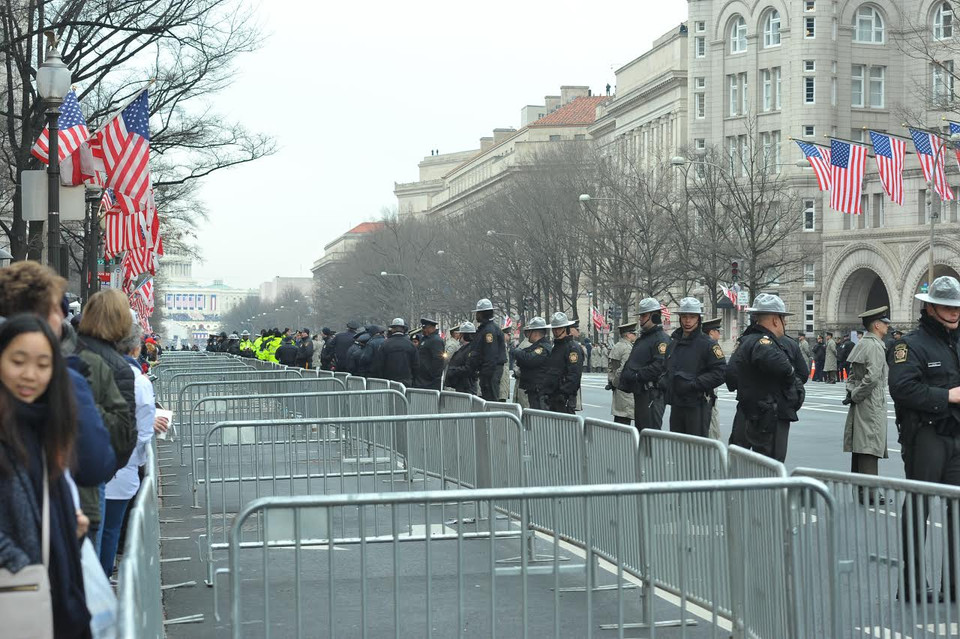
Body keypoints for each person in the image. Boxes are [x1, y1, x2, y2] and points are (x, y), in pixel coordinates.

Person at [0, 314, 94, 638]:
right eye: (18, 361)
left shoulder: (45, 425)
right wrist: (21, 565)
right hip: (18, 598)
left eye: (43, 364)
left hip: (56, 596)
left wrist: (67, 523)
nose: (30, 375)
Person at [888, 276, 960, 602]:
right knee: (919, 509)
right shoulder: (910, 345)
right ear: (930, 307)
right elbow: (903, 389)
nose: (953, 311)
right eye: (946, 305)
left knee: (956, 511)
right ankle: (914, 584)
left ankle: (954, 582)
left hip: (956, 435)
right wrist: (948, 397)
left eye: (956, 305)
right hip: (926, 434)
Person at [77, 289, 139, 547]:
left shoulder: (69, 350)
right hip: (93, 473)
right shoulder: (118, 366)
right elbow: (125, 432)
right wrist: (107, 467)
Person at [100, 324, 163, 577]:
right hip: (122, 461)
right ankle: (104, 577)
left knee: (103, 527)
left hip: (102, 458)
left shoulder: (101, 369)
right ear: (137, 348)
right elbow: (143, 427)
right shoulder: (138, 381)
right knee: (110, 528)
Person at [726, 294, 801, 462]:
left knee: (743, 465)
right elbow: (784, 368)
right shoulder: (765, 343)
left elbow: (730, 375)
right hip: (769, 417)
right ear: (776, 320)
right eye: (783, 319)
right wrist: (791, 377)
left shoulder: (745, 341)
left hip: (749, 413)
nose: (786, 323)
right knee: (771, 467)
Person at [842, 306, 890, 504]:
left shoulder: (862, 343)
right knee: (869, 446)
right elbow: (872, 378)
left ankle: (861, 492)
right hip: (871, 401)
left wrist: (852, 392)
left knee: (860, 446)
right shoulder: (876, 346)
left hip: (861, 402)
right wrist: (857, 394)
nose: (887, 325)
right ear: (877, 325)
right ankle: (870, 494)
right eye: (885, 322)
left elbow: (852, 374)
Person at [663, 298, 726, 437]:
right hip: (677, 404)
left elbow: (721, 372)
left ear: (698, 319)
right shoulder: (673, 344)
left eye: (692, 317)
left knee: (696, 451)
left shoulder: (708, 344)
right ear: (679, 318)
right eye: (684, 316)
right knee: (678, 448)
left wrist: (694, 384)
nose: (687, 321)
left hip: (698, 405)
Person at [619, 297, 669, 431]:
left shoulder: (661, 339)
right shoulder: (644, 338)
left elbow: (660, 365)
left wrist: (636, 375)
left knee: (650, 433)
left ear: (654, 316)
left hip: (652, 394)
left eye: (644, 315)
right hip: (641, 392)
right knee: (642, 432)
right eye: (640, 315)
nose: (640, 318)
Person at [539, 312, 583, 414]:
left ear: (566, 328)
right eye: (554, 328)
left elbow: (574, 374)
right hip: (552, 397)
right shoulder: (556, 347)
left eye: (558, 328)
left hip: (564, 398)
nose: (555, 331)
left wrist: (564, 393)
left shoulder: (572, 348)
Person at [510, 317, 551, 410]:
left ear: (536, 332)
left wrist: (516, 351)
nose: (528, 335)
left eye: (529, 332)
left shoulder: (543, 348)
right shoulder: (535, 347)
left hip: (540, 392)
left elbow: (529, 359)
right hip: (534, 390)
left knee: (539, 421)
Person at [472, 299, 507, 401]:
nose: (476, 315)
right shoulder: (486, 328)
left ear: (482, 313)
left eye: (477, 313)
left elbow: (490, 354)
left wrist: (485, 375)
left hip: (491, 372)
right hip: (489, 371)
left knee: (491, 399)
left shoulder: (489, 331)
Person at [606, 322, 637, 425]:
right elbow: (623, 369)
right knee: (624, 418)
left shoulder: (617, 346)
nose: (635, 336)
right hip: (624, 387)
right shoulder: (627, 348)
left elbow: (610, 367)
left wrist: (611, 381)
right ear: (628, 334)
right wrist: (616, 382)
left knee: (619, 417)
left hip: (617, 387)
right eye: (634, 333)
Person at [372, 318, 419, 386]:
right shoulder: (410, 345)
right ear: (403, 329)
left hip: (389, 382)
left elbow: (379, 365)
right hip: (406, 381)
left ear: (392, 329)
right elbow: (416, 365)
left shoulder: (385, 344)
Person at [702, 317, 724, 440]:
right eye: (718, 331)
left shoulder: (702, 345)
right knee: (711, 425)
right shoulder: (711, 347)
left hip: (707, 391)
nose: (719, 334)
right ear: (711, 332)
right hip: (707, 392)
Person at [444, 322, 479, 394]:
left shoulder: (472, 349)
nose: (459, 336)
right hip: (461, 385)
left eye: (460, 334)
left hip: (467, 387)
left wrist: (454, 370)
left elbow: (469, 368)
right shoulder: (463, 348)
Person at [414, 318, 445, 390]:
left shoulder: (436, 341)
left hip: (429, 382)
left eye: (424, 328)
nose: (423, 330)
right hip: (421, 379)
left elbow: (438, 361)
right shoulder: (425, 339)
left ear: (431, 328)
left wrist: (431, 375)